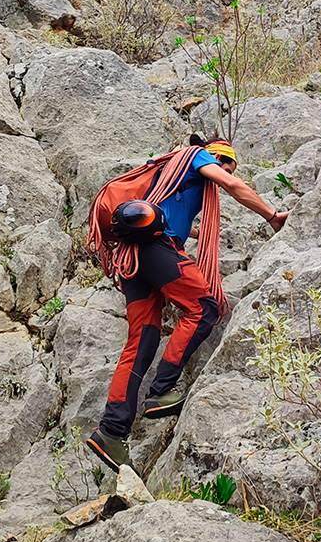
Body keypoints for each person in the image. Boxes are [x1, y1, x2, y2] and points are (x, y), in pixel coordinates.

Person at [87, 136, 289, 472]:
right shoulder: (195, 157)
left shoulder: (171, 172)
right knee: (205, 306)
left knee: (143, 338)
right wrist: (271, 215)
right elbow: (232, 185)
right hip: (153, 246)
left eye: (226, 167)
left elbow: (174, 216)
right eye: (225, 163)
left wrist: (200, 234)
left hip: (132, 255)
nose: (224, 172)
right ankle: (162, 390)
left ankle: (111, 431)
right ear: (216, 157)